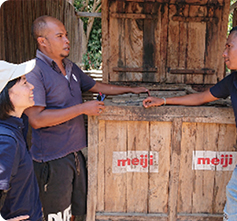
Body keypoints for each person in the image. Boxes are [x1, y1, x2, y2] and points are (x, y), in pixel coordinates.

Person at [24, 15, 148, 221]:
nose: (67, 40)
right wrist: (82, 108)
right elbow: (36, 119)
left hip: (75, 156)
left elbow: (96, 86)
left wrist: (132, 90)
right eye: (60, 36)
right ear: (42, 41)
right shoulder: (34, 72)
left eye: (66, 35)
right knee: (56, 216)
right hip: (52, 160)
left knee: (78, 213)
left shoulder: (70, 67)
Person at [143, 23, 237, 221]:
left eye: (229, 46)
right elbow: (201, 97)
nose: (224, 53)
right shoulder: (233, 80)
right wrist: (164, 101)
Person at [0, 59, 42, 220]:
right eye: (24, 82)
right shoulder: (5, 140)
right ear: (5, 92)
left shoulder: (16, 126)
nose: (31, 86)